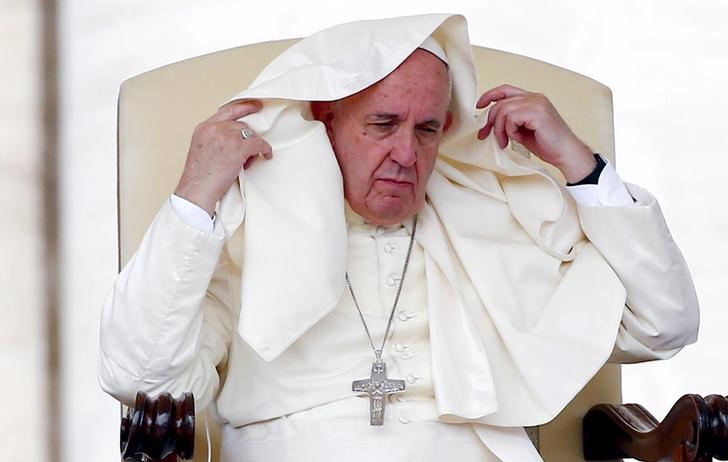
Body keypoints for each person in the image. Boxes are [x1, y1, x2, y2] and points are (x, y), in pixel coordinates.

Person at [99, 14, 699, 461]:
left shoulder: (499, 214)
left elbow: (663, 325)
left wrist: (580, 166)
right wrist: (197, 190)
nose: (406, 155)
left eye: (428, 129)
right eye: (382, 125)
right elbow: (141, 377)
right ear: (325, 118)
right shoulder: (245, 221)